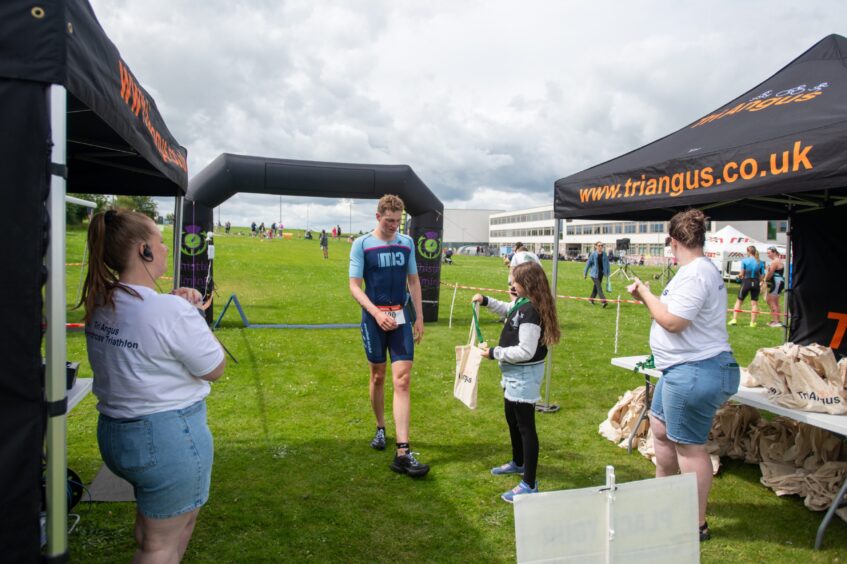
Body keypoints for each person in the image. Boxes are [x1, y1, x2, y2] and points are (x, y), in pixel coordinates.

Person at [78, 209, 226, 562]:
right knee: (161, 545)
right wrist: (190, 314)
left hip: (117, 434)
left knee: (152, 534)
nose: (164, 249)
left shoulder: (102, 301)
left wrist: (177, 303)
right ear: (143, 250)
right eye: (160, 242)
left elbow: (148, 331)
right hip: (166, 437)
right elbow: (214, 368)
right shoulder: (169, 311)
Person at [626, 208, 739, 542]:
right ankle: (665, 499)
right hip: (681, 370)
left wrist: (646, 294)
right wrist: (649, 299)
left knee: (690, 448)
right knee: (660, 429)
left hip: (694, 371)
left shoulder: (695, 274)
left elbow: (675, 322)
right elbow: (675, 312)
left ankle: (695, 523)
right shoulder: (694, 271)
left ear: (672, 242)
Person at [349, 194, 428, 477]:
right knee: (378, 376)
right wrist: (376, 313)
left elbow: (414, 281)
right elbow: (355, 286)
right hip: (374, 318)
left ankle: (403, 450)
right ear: (378, 217)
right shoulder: (362, 244)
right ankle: (381, 428)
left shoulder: (406, 244)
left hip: (401, 316)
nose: (394, 225)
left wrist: (419, 316)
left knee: (403, 379)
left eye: (398, 220)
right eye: (389, 220)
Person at [472, 261, 560, 503]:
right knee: (512, 419)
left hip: (524, 376)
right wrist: (486, 300)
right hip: (513, 374)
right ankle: (518, 462)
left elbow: (526, 351)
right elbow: (506, 309)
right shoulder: (522, 304)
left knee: (526, 427)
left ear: (527, 284)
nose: (511, 284)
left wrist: (494, 353)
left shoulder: (531, 312)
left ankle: (529, 483)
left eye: (515, 281)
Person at [729, 245, 765, 327]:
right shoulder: (760, 262)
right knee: (754, 303)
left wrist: (738, 276)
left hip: (746, 282)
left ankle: (734, 320)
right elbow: (763, 274)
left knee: (739, 301)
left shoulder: (745, 261)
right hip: (756, 283)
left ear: (748, 252)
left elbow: (741, 274)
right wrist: (760, 280)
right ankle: (752, 323)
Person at [583, 241, 611, 307]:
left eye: (601, 245)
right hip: (594, 274)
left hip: (601, 273)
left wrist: (608, 272)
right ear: (596, 246)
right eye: (599, 245)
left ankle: (591, 299)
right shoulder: (593, 254)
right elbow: (588, 264)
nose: (600, 247)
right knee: (599, 287)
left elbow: (607, 264)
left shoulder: (604, 254)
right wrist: (585, 273)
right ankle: (604, 301)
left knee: (596, 287)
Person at [764, 246, 786, 328]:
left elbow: (770, 273)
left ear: (774, 252)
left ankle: (776, 322)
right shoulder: (777, 260)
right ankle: (777, 320)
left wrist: (765, 280)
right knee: (775, 302)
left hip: (777, 282)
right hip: (778, 281)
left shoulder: (775, 261)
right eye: (767, 253)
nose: (768, 255)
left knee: (770, 300)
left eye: (769, 253)